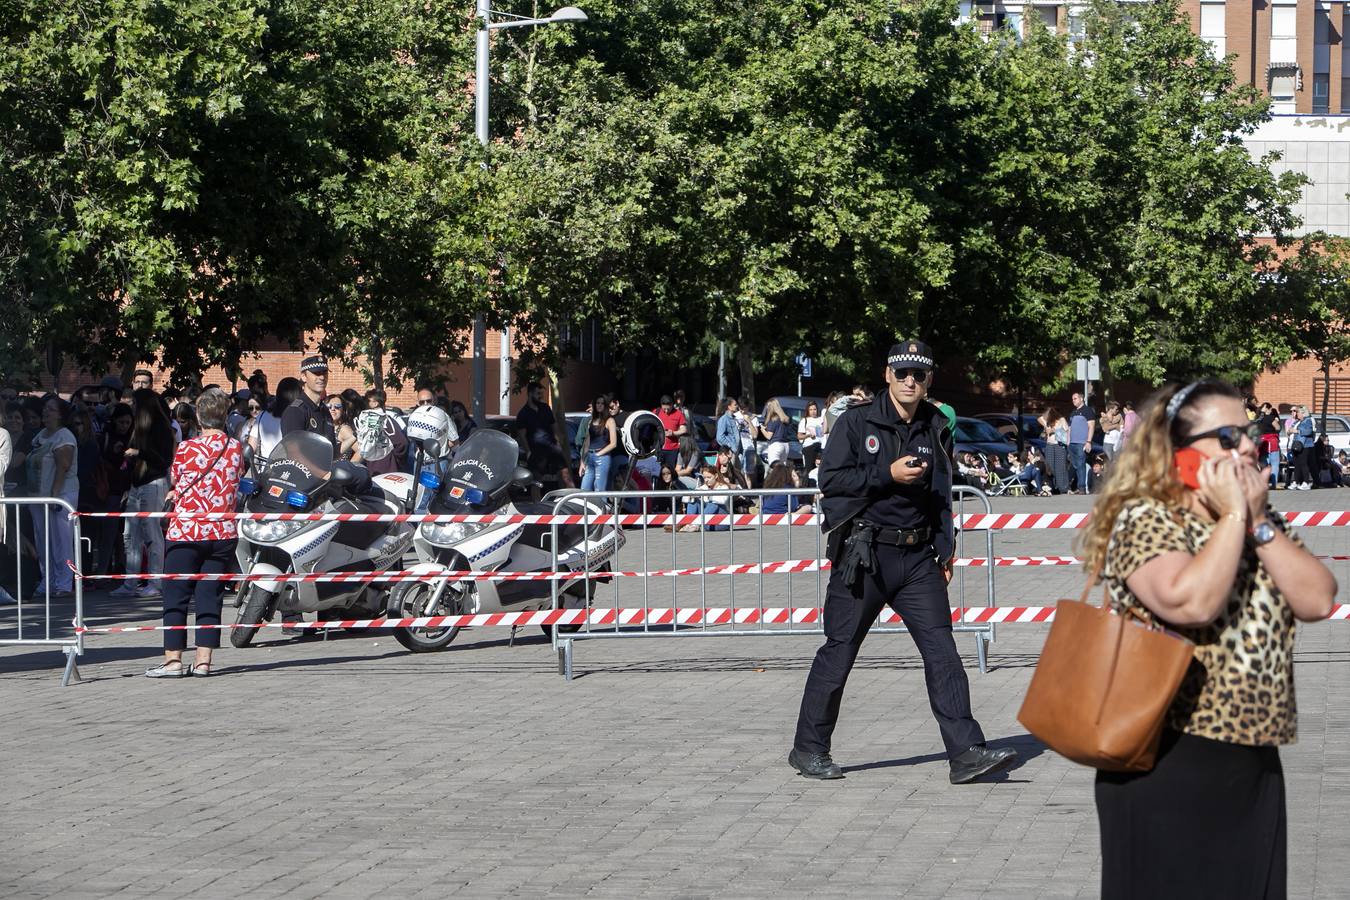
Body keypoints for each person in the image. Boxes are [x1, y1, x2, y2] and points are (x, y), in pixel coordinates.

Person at [1079, 379, 1334, 900]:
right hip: (1166, 761)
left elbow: (1318, 600)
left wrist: (1259, 522)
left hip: (1252, 764)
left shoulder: (1259, 521)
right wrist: (1236, 517)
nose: (1246, 446)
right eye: (1227, 436)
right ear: (1177, 450)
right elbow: (1189, 601)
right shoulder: (1145, 518)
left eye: (1249, 432)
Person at [791, 339, 1016, 783]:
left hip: (916, 559)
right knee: (839, 653)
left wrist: (945, 547)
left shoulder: (935, 424)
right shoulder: (857, 423)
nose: (910, 381)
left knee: (943, 654)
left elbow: (941, 493)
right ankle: (808, 749)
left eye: (919, 374)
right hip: (865, 555)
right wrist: (886, 474)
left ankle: (966, 752)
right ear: (887, 375)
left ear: (928, 379)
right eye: (902, 373)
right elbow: (832, 483)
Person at [145, 388, 245, 678]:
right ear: (224, 416)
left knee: (176, 596)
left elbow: (176, 477)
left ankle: (173, 660)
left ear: (198, 417)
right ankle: (203, 661)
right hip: (222, 532)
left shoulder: (188, 448)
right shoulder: (235, 447)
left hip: (186, 531)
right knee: (209, 596)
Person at [112, 389, 175, 600]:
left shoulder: (162, 428)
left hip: (153, 483)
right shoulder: (138, 429)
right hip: (137, 485)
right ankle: (130, 582)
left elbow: (164, 460)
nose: (133, 409)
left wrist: (139, 453)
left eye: (135, 405)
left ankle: (155, 582)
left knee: (152, 535)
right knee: (130, 535)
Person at [27, 397, 79, 598]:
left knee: (61, 540)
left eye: (51, 410)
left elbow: (63, 466)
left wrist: (55, 495)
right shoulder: (41, 434)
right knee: (43, 540)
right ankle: (47, 580)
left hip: (60, 494)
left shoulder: (64, 436)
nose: (45, 412)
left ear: (61, 415)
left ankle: (64, 583)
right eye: (45, 409)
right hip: (38, 496)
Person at [515, 381, 570, 487]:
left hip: (552, 446)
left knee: (565, 474)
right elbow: (522, 435)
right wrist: (528, 452)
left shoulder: (545, 408)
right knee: (536, 481)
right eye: (538, 393)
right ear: (530, 394)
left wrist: (558, 442)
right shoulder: (523, 413)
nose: (541, 396)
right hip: (536, 451)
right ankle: (536, 503)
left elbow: (554, 426)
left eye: (541, 393)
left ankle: (570, 498)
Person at [578, 395, 618, 493]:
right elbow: (587, 441)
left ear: (605, 406)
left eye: (602, 403)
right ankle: (586, 508)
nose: (599, 405)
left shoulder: (610, 420)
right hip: (589, 457)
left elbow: (613, 443)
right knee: (584, 489)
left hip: (602, 457)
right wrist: (582, 461)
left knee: (599, 490)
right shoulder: (590, 421)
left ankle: (601, 508)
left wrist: (598, 454)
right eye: (597, 403)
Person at [255, 377, 300, 461]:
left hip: (267, 469)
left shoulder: (262, 415)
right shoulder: (299, 417)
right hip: (295, 468)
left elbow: (251, 446)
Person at [1038, 406, 1072, 494]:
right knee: (1050, 465)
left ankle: (1064, 488)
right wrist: (1046, 426)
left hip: (1059, 445)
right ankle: (1057, 485)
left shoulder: (1061, 420)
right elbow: (1039, 418)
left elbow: (1067, 431)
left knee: (1060, 467)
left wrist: (1054, 430)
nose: (1046, 418)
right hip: (1049, 445)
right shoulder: (1047, 422)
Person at [1069, 390, 1097, 493]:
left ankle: (1081, 487)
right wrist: (1068, 442)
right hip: (1072, 444)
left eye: (1075, 398)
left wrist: (1088, 441)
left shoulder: (1088, 411)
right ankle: (1078, 485)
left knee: (1081, 464)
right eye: (1072, 399)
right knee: (1076, 466)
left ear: (1082, 399)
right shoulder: (1073, 412)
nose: (1073, 401)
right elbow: (1070, 428)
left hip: (1082, 443)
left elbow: (1091, 426)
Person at [653, 394, 688, 473]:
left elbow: (684, 430)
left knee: (670, 471)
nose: (666, 411)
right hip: (658, 448)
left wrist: (673, 433)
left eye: (668, 409)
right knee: (657, 471)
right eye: (664, 409)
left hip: (672, 449)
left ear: (672, 405)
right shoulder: (656, 412)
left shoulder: (678, 414)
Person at [1287, 405, 1316, 490]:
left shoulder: (1307, 420)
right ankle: (1296, 481)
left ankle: (1306, 482)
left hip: (1305, 445)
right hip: (1296, 445)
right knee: (1297, 464)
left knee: (1303, 464)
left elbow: (1308, 431)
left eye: (1298, 412)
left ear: (1303, 413)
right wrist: (1290, 431)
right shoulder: (1297, 421)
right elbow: (1291, 429)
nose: (1296, 414)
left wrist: (1297, 431)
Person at [758, 399, 793, 467]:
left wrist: (762, 429)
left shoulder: (773, 419)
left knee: (775, 469)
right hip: (785, 446)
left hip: (776, 445)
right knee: (782, 469)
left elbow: (769, 436)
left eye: (768, 407)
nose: (767, 409)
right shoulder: (785, 419)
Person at [1256, 401, 1283, 488]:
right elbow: (1278, 428)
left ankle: (1264, 483)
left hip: (1262, 442)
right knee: (1275, 463)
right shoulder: (1271, 418)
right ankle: (1274, 484)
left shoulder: (1258, 419)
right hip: (1272, 441)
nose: (1271, 410)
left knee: (1264, 463)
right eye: (1270, 408)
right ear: (1267, 409)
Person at [325, 394, 360, 461]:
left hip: (339, 469)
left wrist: (349, 467)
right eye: (329, 406)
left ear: (343, 410)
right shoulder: (325, 426)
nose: (333, 409)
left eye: (337, 406)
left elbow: (361, 451)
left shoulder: (343, 429)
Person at [798, 400, 825, 477]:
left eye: (814, 409)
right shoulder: (804, 420)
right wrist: (808, 435)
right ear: (808, 410)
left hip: (820, 447)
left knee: (821, 469)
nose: (813, 412)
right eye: (811, 410)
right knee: (809, 470)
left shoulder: (821, 419)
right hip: (809, 447)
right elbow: (799, 436)